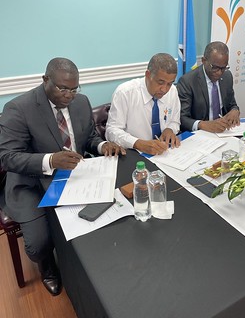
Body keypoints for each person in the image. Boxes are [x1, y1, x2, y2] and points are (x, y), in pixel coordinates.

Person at [0, 57, 125, 296]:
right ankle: (47, 266)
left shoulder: (81, 102)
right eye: (62, 88)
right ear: (45, 80)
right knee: (37, 244)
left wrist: (102, 146)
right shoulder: (19, 108)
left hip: (76, 176)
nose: (69, 95)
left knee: (105, 216)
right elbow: (8, 157)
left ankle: (87, 264)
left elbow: (89, 138)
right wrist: (49, 160)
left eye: (74, 89)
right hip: (32, 182)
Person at [106, 53, 181, 155]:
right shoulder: (125, 93)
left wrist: (170, 129)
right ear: (148, 75)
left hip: (164, 152)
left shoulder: (172, 91)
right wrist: (138, 143)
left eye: (169, 83)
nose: (164, 89)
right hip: (134, 153)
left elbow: (175, 121)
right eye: (160, 82)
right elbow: (112, 131)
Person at [177, 41, 240, 133]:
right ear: (204, 61)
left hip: (223, 132)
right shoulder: (188, 81)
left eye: (223, 68)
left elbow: (232, 104)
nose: (219, 72)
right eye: (214, 67)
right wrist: (202, 124)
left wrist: (235, 110)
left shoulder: (227, 76)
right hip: (201, 134)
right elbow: (182, 118)